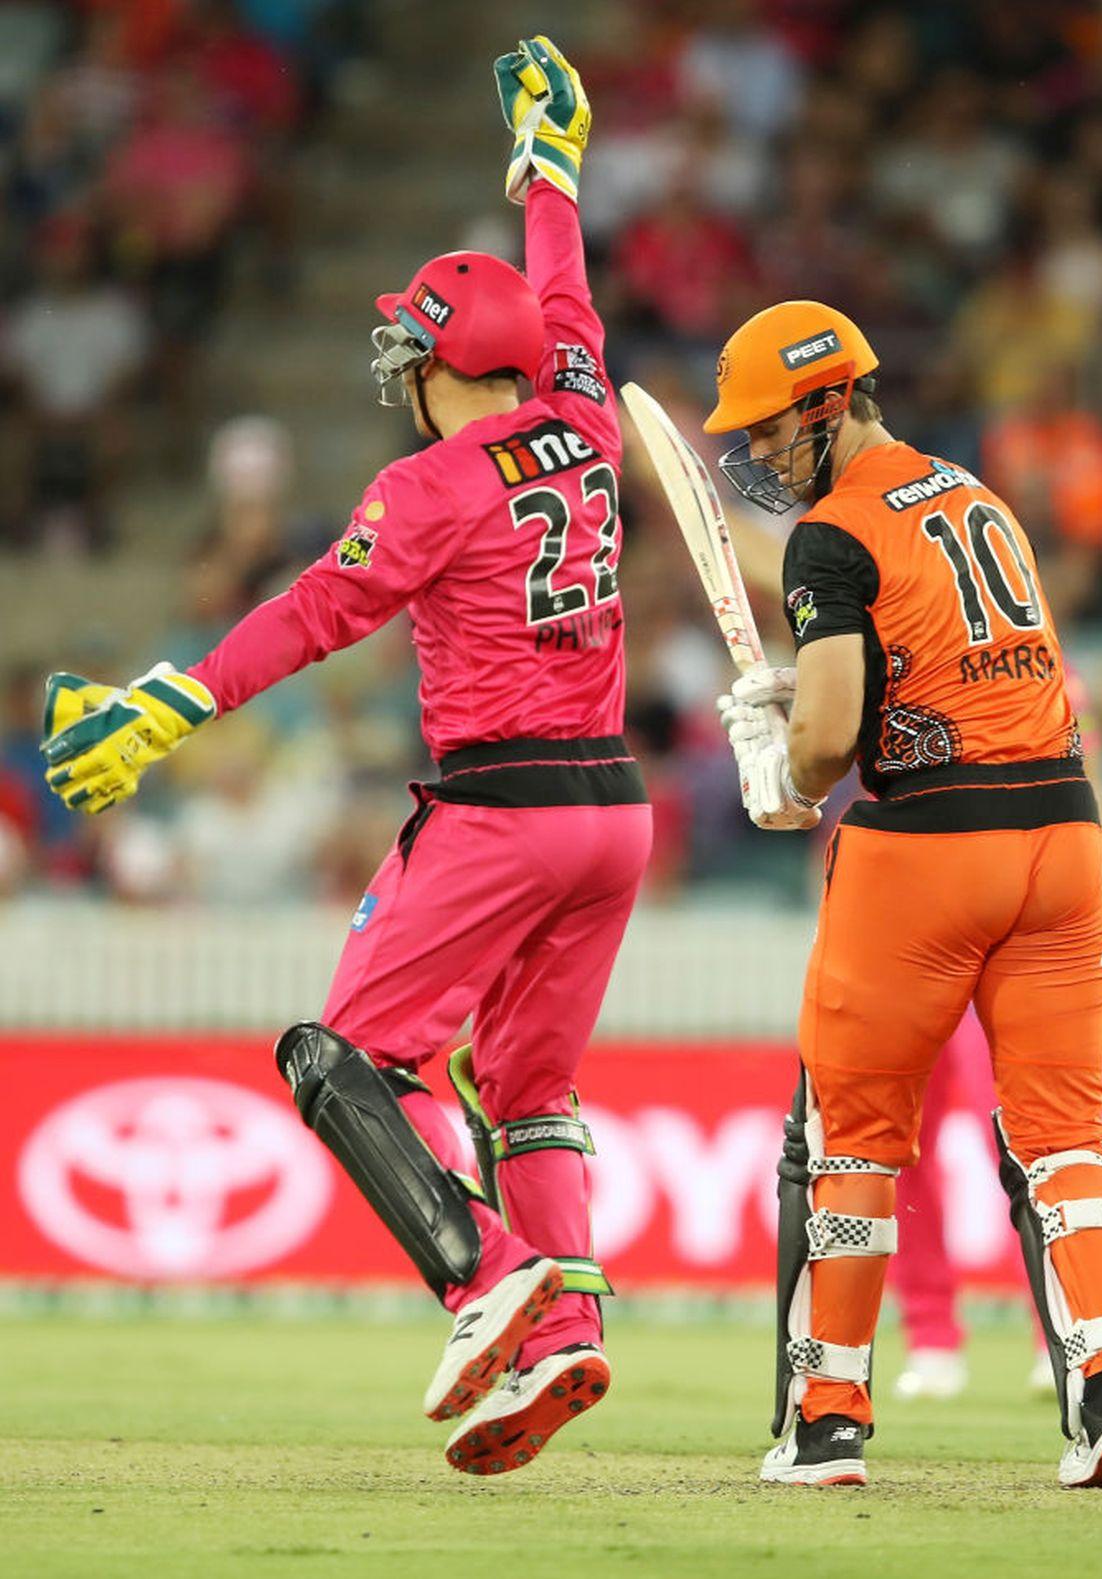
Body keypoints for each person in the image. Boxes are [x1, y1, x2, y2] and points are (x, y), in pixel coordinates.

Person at [40, 37, 651, 1479]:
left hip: (498, 806)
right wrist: (548, 170)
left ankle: (481, 1270)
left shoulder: (428, 485)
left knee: (341, 1056)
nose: (398, 373)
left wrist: (172, 700)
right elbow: (564, 296)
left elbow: (317, 612)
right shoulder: (580, 413)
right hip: (612, 815)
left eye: (411, 354)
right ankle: (564, 1330)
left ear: (449, 369)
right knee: (531, 1084)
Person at [706, 301, 1102, 1488]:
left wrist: (782, 765)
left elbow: (828, 735)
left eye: (765, 428)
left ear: (824, 400)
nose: (756, 454)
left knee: (850, 1139)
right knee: (1065, 1134)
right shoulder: (978, 492)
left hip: (926, 848)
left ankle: (829, 1421)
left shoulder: (831, 532)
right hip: (1061, 839)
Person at [893, 666, 1102, 1401]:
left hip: (1013, 941)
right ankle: (932, 1335)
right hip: (915, 932)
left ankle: (1061, 1328)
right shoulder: (909, 663)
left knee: (1018, 1130)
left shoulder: (1056, 682)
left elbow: (1091, 801)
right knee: (901, 1136)